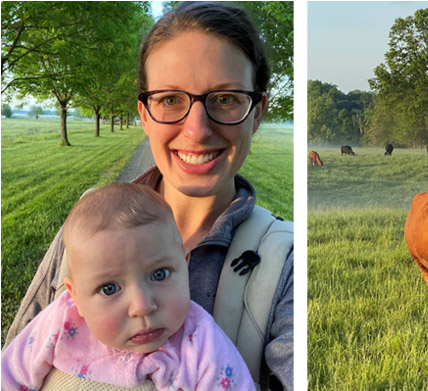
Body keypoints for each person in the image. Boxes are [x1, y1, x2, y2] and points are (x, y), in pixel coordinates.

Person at [5, 2, 293, 390]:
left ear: (256, 113)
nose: (197, 130)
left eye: (225, 98)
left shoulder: (286, 263)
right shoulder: (87, 222)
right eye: (170, 99)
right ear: (144, 114)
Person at [2, 183, 255, 390]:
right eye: (109, 289)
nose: (143, 306)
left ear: (185, 264)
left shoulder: (200, 342)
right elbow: (10, 377)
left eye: (160, 274)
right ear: (75, 295)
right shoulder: (60, 322)